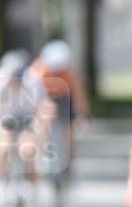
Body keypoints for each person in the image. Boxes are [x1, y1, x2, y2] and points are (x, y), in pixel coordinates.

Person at [0, 50, 47, 205]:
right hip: (6, 117)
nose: (16, 81)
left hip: (27, 117)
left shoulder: (33, 80)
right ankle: (0, 180)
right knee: (3, 147)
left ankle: (32, 187)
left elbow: (42, 109)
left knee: (29, 150)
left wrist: (41, 133)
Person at [31, 39, 91, 181]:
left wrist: (82, 114)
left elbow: (78, 95)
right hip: (45, 97)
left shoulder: (70, 73)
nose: (57, 73)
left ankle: (70, 165)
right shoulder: (38, 72)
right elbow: (34, 98)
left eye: (60, 70)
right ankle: (43, 156)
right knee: (43, 124)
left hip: (65, 98)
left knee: (68, 132)